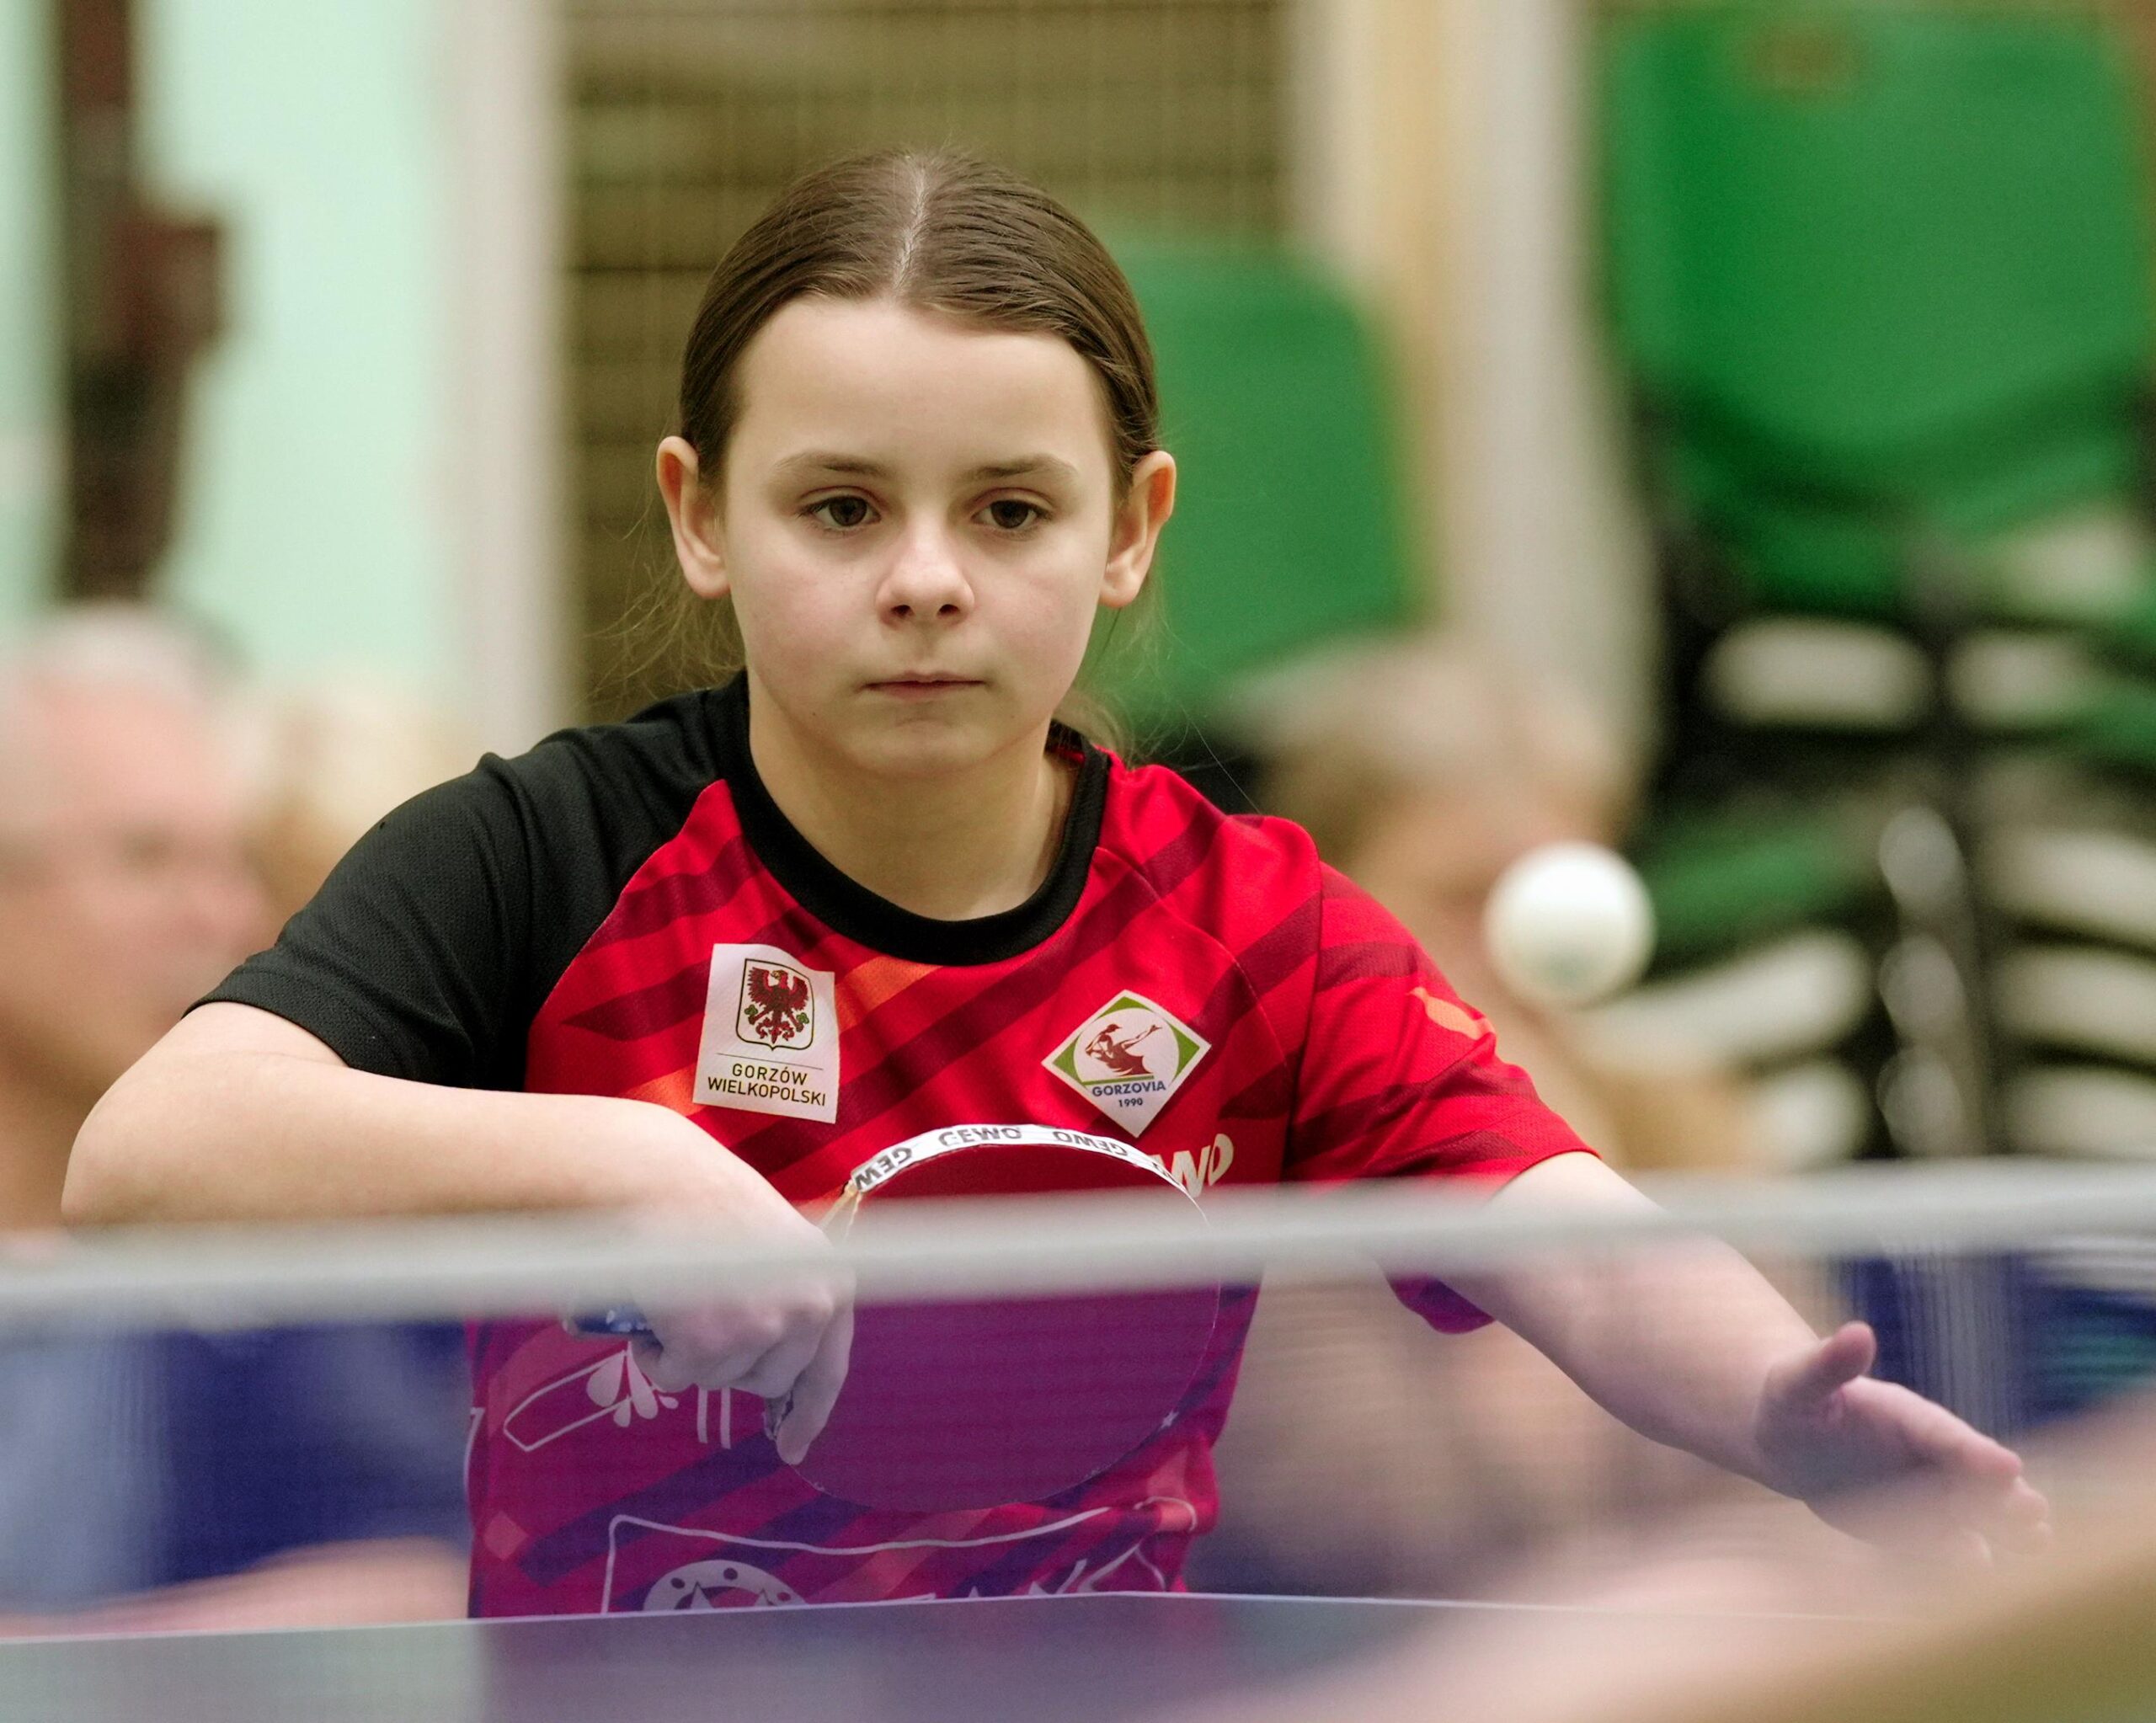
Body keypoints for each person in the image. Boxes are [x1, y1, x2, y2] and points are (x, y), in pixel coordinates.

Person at [68, 151, 2048, 1616]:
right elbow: (146, 1156)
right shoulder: (546, 854)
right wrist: (615, 1164)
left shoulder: (1245, 925)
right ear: (699, 515)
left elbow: (1566, 1232)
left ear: (1128, 529)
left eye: (1008, 509)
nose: (925, 578)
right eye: (839, 507)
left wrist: (1775, 1408)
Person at [0, 608, 467, 1630]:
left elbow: (423, 1567)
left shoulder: (242, 1262)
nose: (224, 919)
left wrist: (66, 1669)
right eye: (146, 857)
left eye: (232, 865)